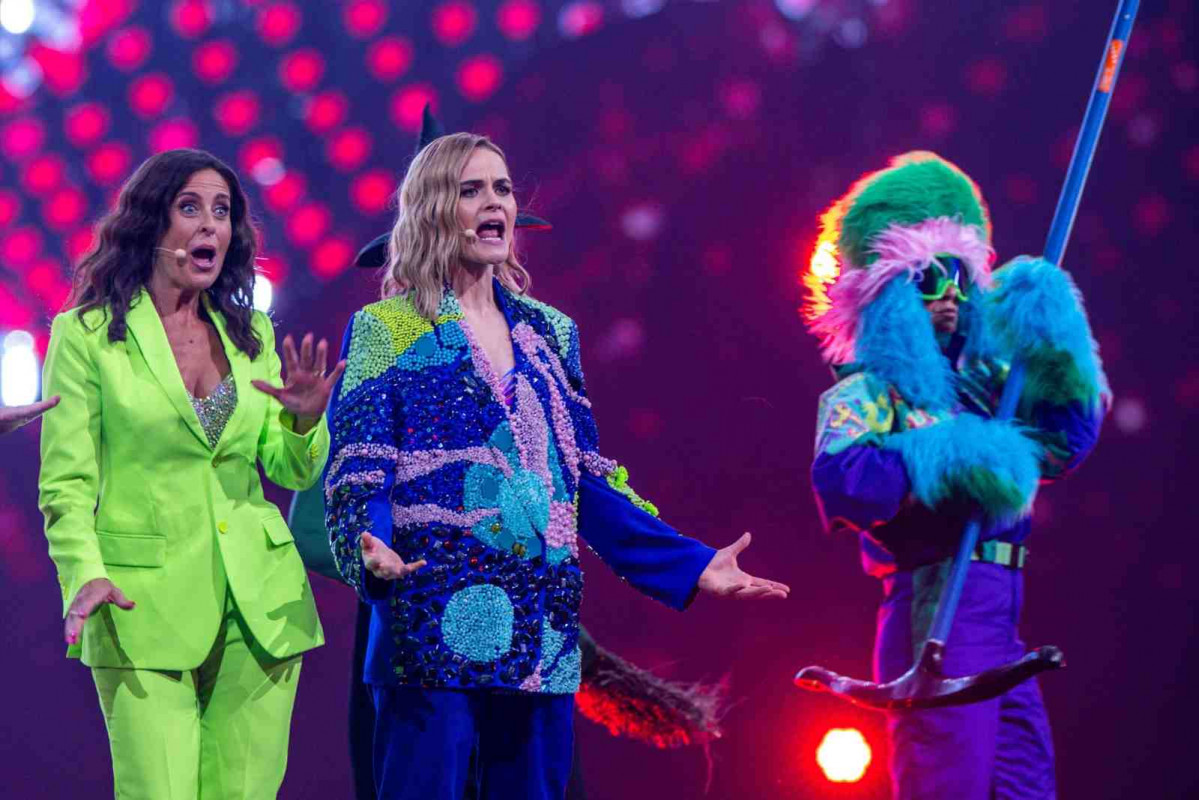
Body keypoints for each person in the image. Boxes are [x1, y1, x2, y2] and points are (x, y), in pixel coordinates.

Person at [324, 131, 789, 800]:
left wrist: (691, 563)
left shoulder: (551, 332)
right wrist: (368, 547)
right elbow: (359, 470)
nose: (495, 203)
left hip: (538, 624)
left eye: (503, 189)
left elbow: (585, 480)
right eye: (471, 190)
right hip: (428, 619)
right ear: (432, 209)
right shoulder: (384, 329)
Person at [38, 148, 343, 798]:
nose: (210, 225)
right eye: (190, 207)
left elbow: (288, 468)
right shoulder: (86, 336)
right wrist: (82, 572)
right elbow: (66, 484)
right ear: (151, 222)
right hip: (139, 603)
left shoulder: (251, 333)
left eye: (222, 211)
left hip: (260, 606)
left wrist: (302, 420)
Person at [804, 152, 1107, 799]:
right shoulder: (866, 392)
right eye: (927, 277)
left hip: (1000, 616)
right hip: (936, 607)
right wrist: (946, 453)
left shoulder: (988, 386)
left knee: (1024, 787)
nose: (948, 295)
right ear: (888, 290)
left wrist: (1059, 346)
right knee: (948, 784)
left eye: (960, 277)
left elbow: (1063, 446)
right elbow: (844, 484)